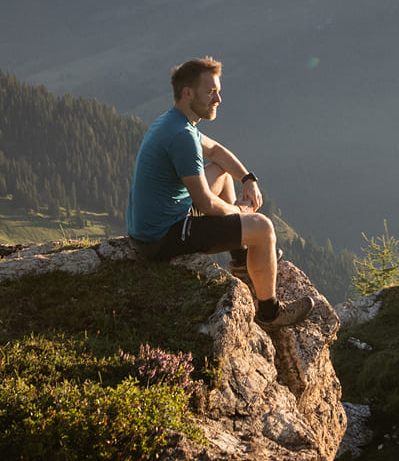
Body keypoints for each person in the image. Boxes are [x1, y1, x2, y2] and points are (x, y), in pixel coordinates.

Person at [126, 55, 305, 327]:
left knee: (221, 173)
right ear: (188, 93)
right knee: (264, 227)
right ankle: (270, 313)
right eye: (211, 92)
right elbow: (207, 205)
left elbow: (218, 153)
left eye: (218, 92)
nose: (218, 99)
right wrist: (241, 212)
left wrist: (247, 178)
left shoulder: (173, 121)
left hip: (153, 225)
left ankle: (241, 257)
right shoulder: (182, 136)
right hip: (161, 238)